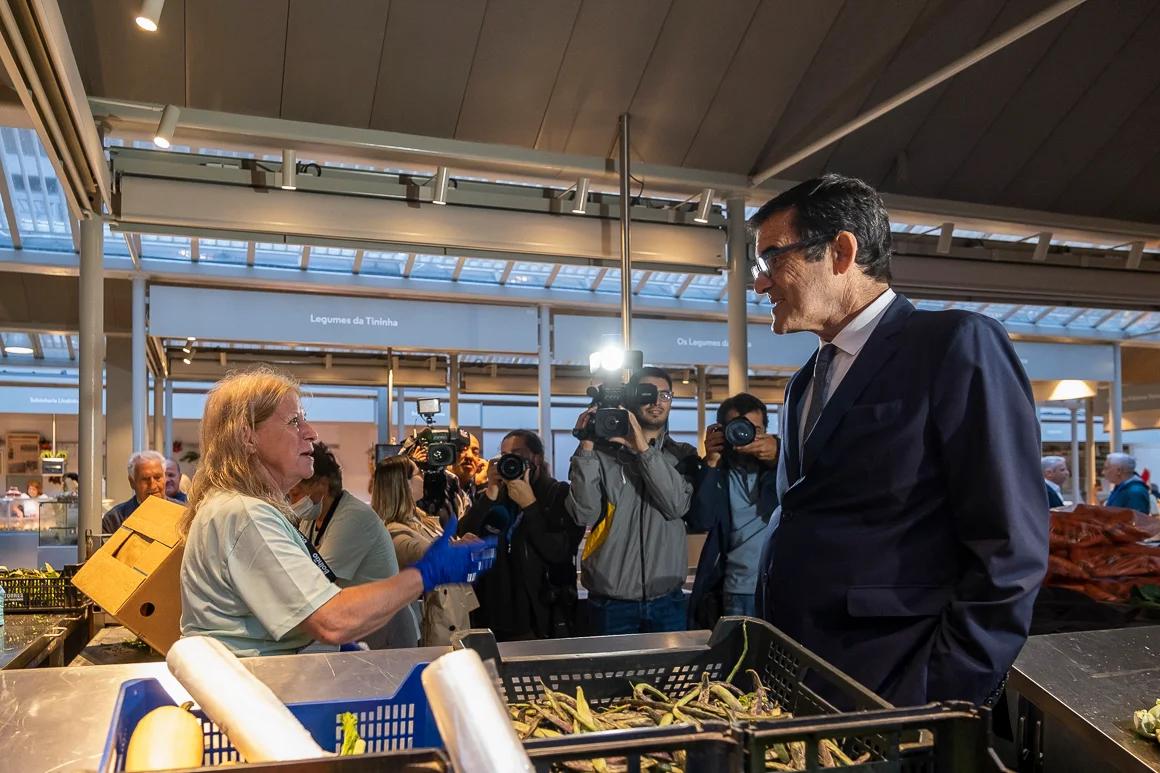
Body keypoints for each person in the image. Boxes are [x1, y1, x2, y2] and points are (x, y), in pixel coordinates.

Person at [750, 174, 1048, 707]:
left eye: (772, 259)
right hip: (803, 676)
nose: (761, 284)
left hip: (898, 682)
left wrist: (945, 688)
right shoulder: (804, 383)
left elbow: (1010, 547)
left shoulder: (952, 344)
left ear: (841, 251)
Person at [178, 368, 494, 657]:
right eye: (293, 422)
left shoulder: (237, 507)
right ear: (247, 436)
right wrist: (426, 574)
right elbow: (331, 620)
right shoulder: (244, 514)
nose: (312, 433)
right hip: (260, 691)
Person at [566, 366, 698, 635]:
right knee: (609, 678)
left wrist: (642, 449)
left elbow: (676, 506)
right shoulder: (599, 455)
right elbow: (584, 514)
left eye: (665, 395)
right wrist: (587, 445)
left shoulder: (682, 455)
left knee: (670, 677)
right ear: (630, 399)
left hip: (667, 601)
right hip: (610, 603)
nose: (656, 402)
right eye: (647, 393)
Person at [289, 442, 421, 649]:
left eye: (296, 493)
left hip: (384, 631)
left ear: (322, 485)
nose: (291, 501)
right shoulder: (311, 518)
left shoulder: (353, 518)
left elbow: (314, 579)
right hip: (358, 626)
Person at [460, 429, 584, 640]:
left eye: (517, 454)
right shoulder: (498, 497)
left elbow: (558, 552)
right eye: (504, 456)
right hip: (494, 615)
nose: (510, 461)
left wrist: (530, 506)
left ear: (536, 457)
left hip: (539, 618)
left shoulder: (558, 495)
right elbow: (464, 536)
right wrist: (489, 495)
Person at [687, 393, 778, 628]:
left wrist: (780, 455)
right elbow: (701, 520)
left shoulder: (781, 467)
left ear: (766, 431)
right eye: (737, 428)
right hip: (735, 587)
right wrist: (711, 462)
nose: (745, 435)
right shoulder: (717, 472)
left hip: (780, 584)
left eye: (754, 429)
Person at [372, 455, 481, 646]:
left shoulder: (421, 520)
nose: (423, 477)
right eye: (418, 473)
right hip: (433, 628)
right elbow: (425, 554)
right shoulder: (394, 532)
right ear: (403, 484)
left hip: (450, 618)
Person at [102, 450, 174, 533]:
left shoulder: (183, 514)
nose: (153, 485)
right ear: (132, 482)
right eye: (145, 479)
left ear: (165, 478)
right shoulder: (114, 520)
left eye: (157, 477)